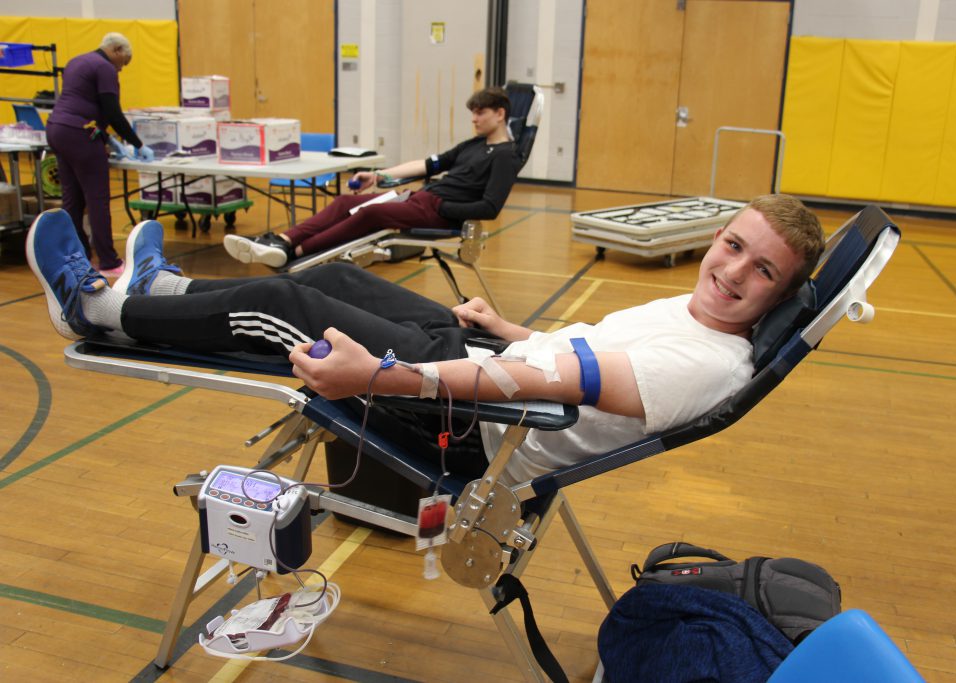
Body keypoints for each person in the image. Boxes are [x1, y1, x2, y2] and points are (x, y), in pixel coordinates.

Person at [28, 194, 824, 482]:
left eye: (760, 270)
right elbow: (573, 355)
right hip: (493, 368)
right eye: (732, 245)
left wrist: (377, 376)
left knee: (286, 301)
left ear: (777, 297)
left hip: (474, 431)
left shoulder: (708, 363)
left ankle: (96, 312)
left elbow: (556, 386)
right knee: (331, 280)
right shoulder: (694, 317)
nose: (731, 270)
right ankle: (157, 289)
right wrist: (506, 329)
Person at [223, 86, 521, 268]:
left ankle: (294, 253)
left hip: (439, 210)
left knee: (372, 213)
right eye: (473, 113)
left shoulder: (506, 156)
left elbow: (489, 208)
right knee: (343, 202)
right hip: (421, 198)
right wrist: (378, 176)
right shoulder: (474, 145)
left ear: (500, 114)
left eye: (480, 112)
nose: (474, 118)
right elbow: (427, 165)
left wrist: (444, 209)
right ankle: (282, 241)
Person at [45, 32, 155, 279]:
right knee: (97, 199)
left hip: (56, 129)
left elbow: (86, 103)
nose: (121, 69)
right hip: (79, 135)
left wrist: (107, 137)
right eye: (123, 63)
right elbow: (112, 111)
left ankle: (79, 256)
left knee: (72, 200)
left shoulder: (76, 61)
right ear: (115, 50)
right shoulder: (105, 68)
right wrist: (137, 143)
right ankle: (108, 260)